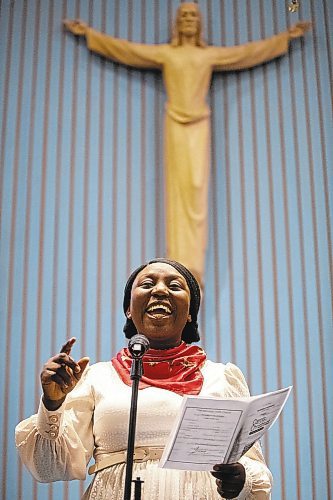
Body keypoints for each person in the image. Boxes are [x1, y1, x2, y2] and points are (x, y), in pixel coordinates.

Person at [63, 4, 311, 285]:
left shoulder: (208, 55)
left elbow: (246, 53)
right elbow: (129, 50)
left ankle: (194, 270)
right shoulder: (167, 54)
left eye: (193, 16)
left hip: (199, 126)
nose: (189, 20)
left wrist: (285, 39)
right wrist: (90, 35)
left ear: (199, 24)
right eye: (184, 16)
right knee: (177, 192)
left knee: (196, 188)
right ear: (177, 24)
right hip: (175, 127)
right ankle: (180, 266)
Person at [16, 258, 273, 499]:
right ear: (129, 309)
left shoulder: (222, 377)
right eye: (147, 284)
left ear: (190, 313)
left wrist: (241, 479)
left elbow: (253, 467)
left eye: (174, 286)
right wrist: (52, 404)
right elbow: (48, 468)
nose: (160, 291)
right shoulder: (97, 377)